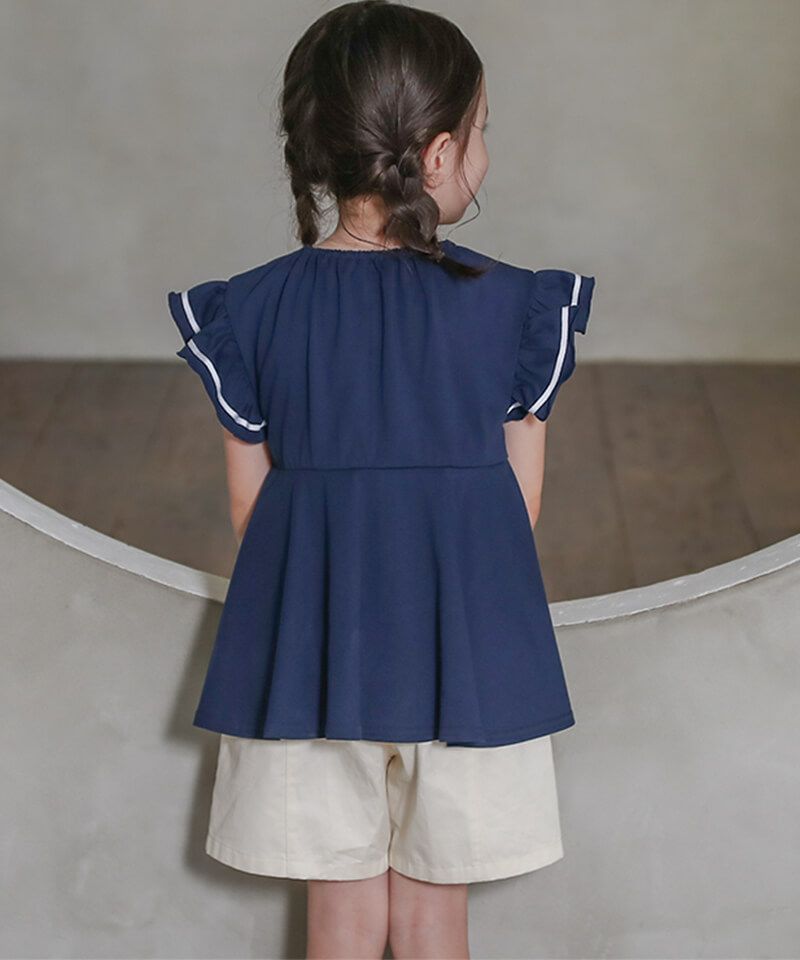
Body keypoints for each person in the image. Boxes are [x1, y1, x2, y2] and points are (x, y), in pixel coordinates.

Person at [166, 1, 596, 957]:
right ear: (439, 154)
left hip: (312, 655)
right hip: (469, 655)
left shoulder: (251, 309)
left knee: (341, 916)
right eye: (482, 131)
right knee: (437, 916)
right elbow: (517, 506)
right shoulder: (516, 308)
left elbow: (251, 509)